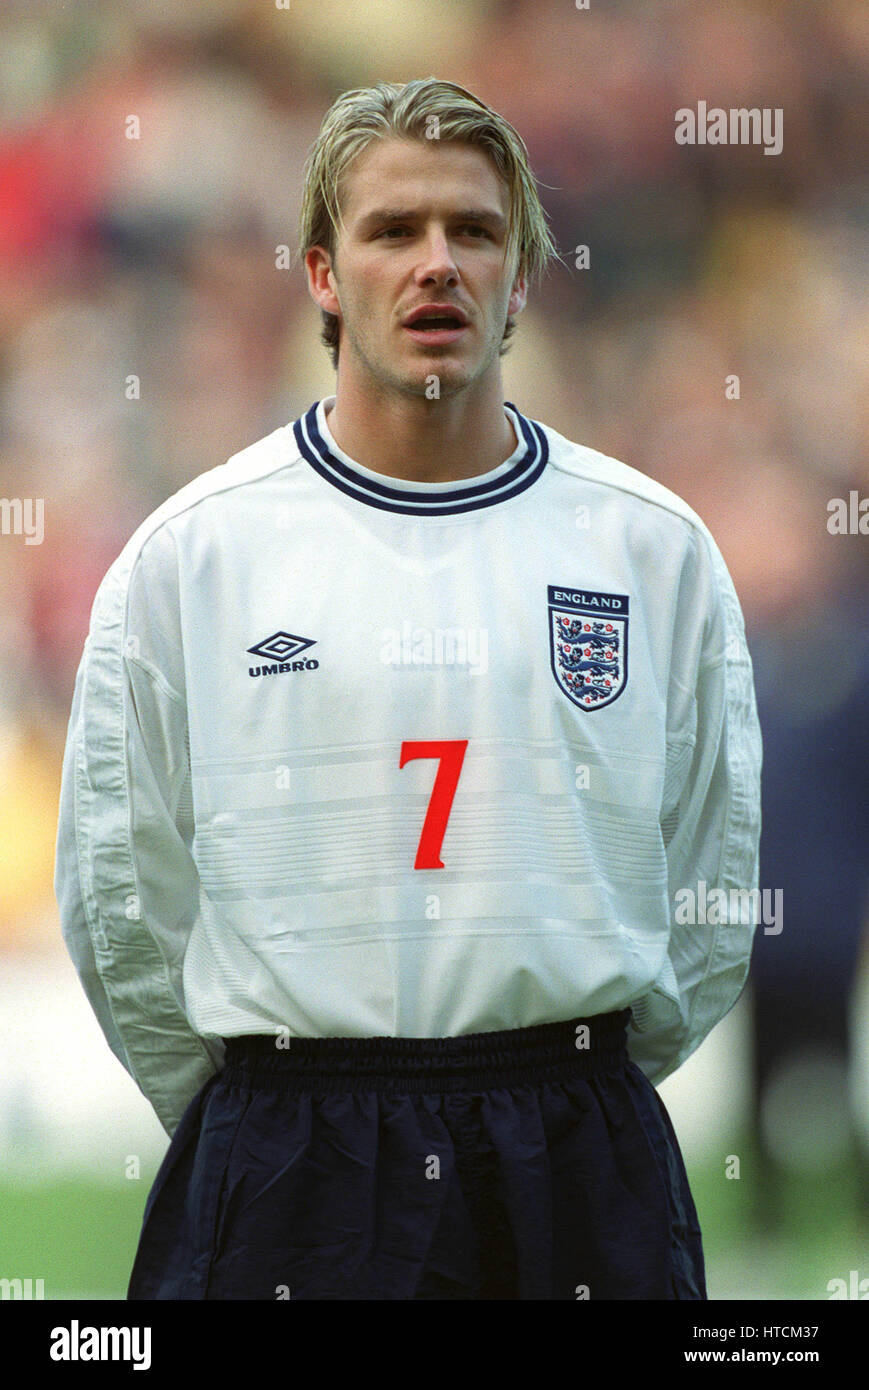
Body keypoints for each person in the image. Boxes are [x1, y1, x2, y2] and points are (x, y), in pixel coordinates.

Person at [55, 78, 762, 1301]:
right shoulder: (193, 558)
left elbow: (709, 881)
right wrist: (265, 1102)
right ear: (323, 275)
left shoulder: (647, 548)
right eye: (392, 232)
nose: (435, 264)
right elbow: (121, 908)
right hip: (288, 1155)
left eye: (473, 231)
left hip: (574, 1148)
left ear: (521, 274)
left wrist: (576, 1079)